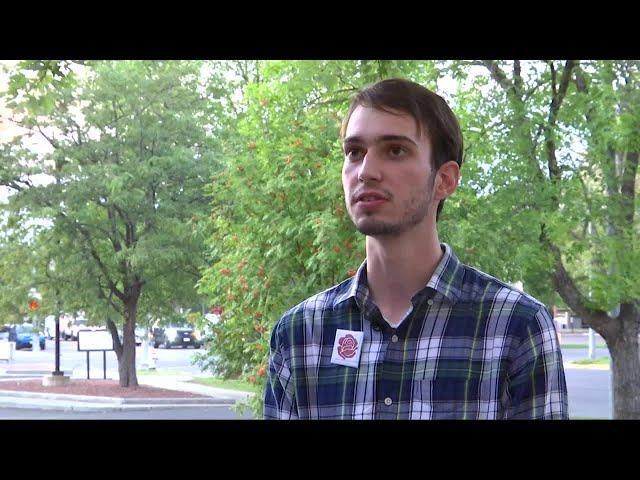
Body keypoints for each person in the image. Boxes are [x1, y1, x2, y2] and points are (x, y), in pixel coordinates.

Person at [264, 78, 568, 419]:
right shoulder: (300, 334)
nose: (366, 171)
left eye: (395, 150)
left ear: (445, 180)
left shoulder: (515, 327)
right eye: (355, 152)